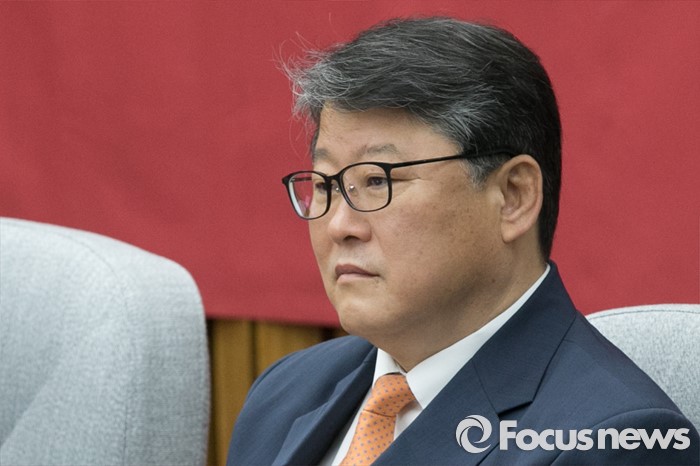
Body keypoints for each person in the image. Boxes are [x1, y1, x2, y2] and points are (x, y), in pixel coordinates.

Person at [227, 16, 698, 465]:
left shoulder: (614, 442)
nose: (339, 225)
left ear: (513, 196)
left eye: (376, 181)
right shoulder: (284, 393)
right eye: (326, 184)